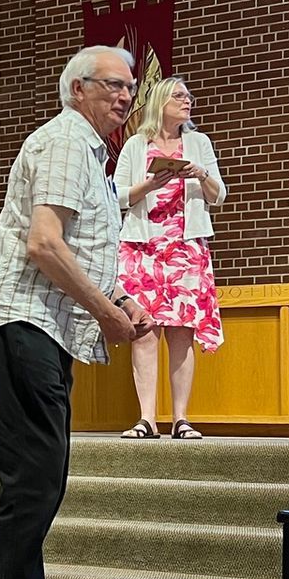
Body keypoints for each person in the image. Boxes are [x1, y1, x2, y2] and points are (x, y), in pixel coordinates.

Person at [0, 45, 150, 579]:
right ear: (77, 90)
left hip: (43, 323)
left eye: (129, 87)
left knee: (43, 468)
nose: (124, 97)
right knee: (34, 471)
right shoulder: (68, 141)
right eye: (111, 85)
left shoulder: (92, 153)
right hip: (22, 318)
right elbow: (44, 244)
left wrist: (122, 297)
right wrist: (106, 311)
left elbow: (82, 247)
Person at [114, 76, 227, 440]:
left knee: (182, 334)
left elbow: (218, 195)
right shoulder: (135, 145)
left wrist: (201, 173)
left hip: (184, 247)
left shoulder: (198, 142)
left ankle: (181, 418)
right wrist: (150, 185)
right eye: (179, 96)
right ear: (160, 102)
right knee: (144, 331)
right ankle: (147, 418)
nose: (187, 101)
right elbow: (116, 196)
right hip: (142, 246)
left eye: (188, 96)